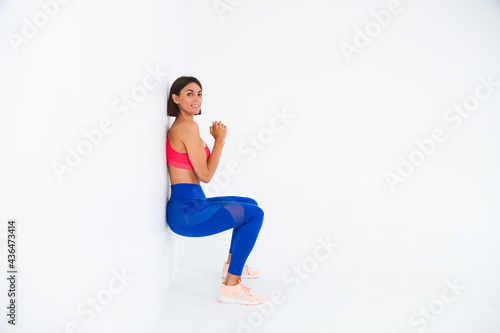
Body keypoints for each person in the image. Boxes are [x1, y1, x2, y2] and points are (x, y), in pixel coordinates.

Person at [166, 76, 265, 305]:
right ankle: (231, 286)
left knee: (250, 203)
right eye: (189, 93)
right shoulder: (187, 127)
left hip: (192, 203)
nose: (196, 98)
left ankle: (233, 264)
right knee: (255, 214)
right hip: (186, 213)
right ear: (176, 98)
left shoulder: (188, 126)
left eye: (199, 93)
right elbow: (206, 175)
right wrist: (220, 141)